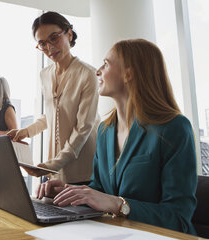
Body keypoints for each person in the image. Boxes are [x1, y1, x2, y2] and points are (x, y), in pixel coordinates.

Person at [36, 39, 197, 234]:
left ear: (129, 73)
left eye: (106, 64)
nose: (98, 71)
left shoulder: (174, 128)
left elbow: (179, 218)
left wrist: (119, 205)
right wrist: (70, 192)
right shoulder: (105, 131)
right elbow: (100, 189)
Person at [8, 12, 100, 184]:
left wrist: (52, 165)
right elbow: (51, 116)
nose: (49, 48)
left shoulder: (88, 74)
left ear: (69, 34)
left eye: (54, 38)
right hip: (53, 169)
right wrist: (25, 132)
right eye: (42, 44)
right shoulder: (45, 74)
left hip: (83, 169)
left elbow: (83, 128)